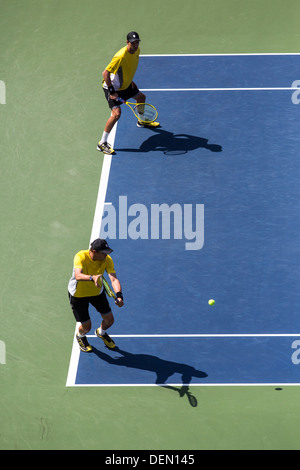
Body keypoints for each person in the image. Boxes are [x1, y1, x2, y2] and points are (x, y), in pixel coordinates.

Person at [97, 31, 160, 155]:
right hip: (113, 87)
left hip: (126, 85)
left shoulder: (137, 50)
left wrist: (130, 81)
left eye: (137, 42)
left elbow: (129, 68)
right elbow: (105, 73)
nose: (135, 45)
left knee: (141, 97)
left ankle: (141, 121)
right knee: (116, 114)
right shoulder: (120, 56)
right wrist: (111, 91)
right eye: (133, 43)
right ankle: (102, 143)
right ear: (127, 42)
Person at [68, 238, 124, 352]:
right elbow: (78, 275)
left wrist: (119, 296)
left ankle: (101, 332)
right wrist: (92, 277)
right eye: (103, 252)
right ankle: (81, 336)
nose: (106, 255)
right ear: (94, 251)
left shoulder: (107, 260)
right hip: (78, 295)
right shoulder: (81, 256)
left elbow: (113, 279)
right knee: (86, 327)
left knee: (109, 320)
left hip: (97, 293)